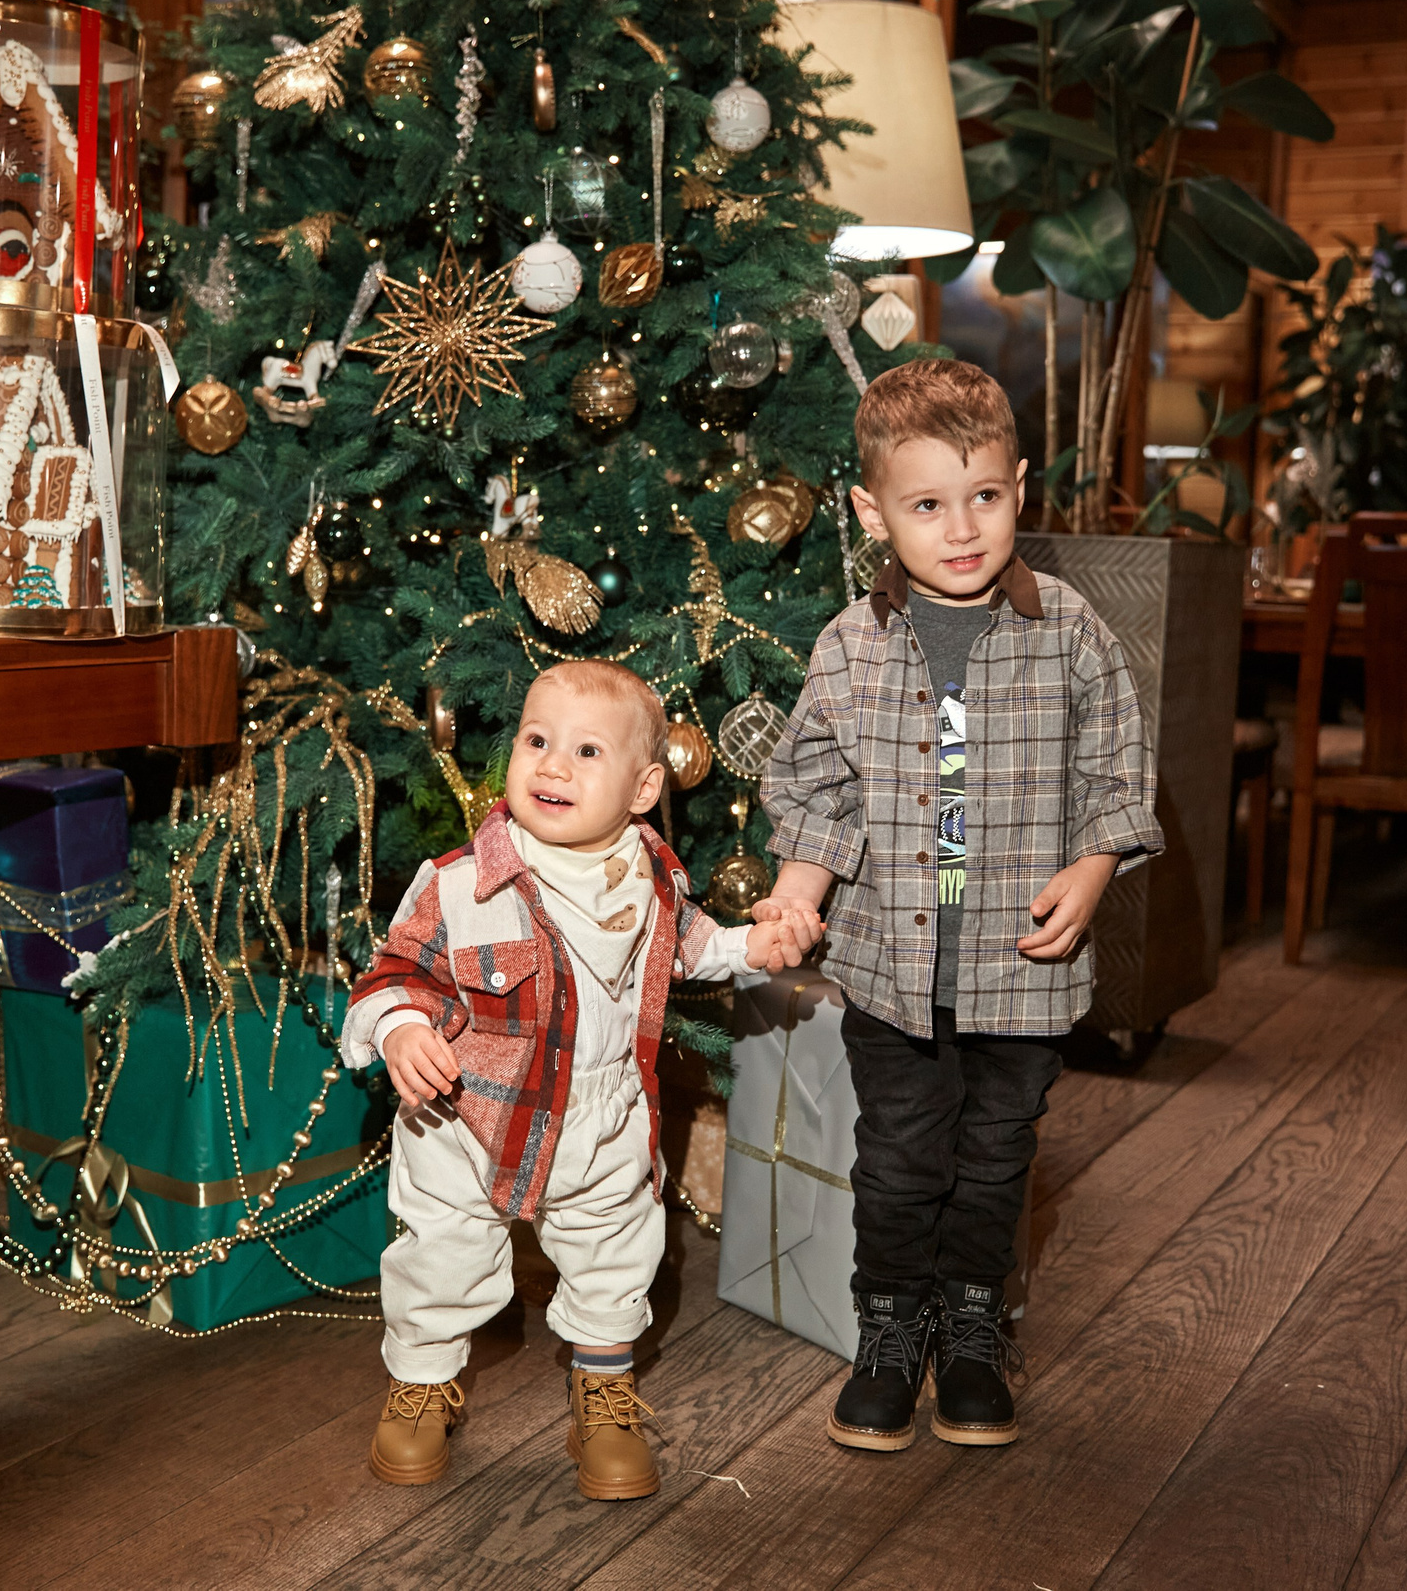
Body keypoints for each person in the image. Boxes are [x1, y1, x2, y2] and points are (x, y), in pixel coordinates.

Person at [754, 358, 1162, 1453]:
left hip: (1018, 975)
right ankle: (890, 1327)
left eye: (983, 495)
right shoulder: (849, 646)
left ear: (1020, 486)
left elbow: (1117, 774)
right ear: (871, 511)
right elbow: (815, 788)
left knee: (993, 1155)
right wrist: (798, 895)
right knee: (897, 1159)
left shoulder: (1069, 631)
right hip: (892, 970)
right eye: (926, 504)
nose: (961, 527)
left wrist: (1092, 868)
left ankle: (973, 1327)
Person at [341, 662, 823, 1500]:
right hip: (467, 1118)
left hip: (602, 1117)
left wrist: (755, 948)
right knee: (440, 1254)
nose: (552, 765)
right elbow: (391, 974)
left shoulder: (654, 879)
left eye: (585, 750)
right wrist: (403, 1025)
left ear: (642, 788)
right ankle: (421, 1382)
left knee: (614, 1252)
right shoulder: (461, 881)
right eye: (536, 741)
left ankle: (601, 1389)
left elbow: (694, 946)